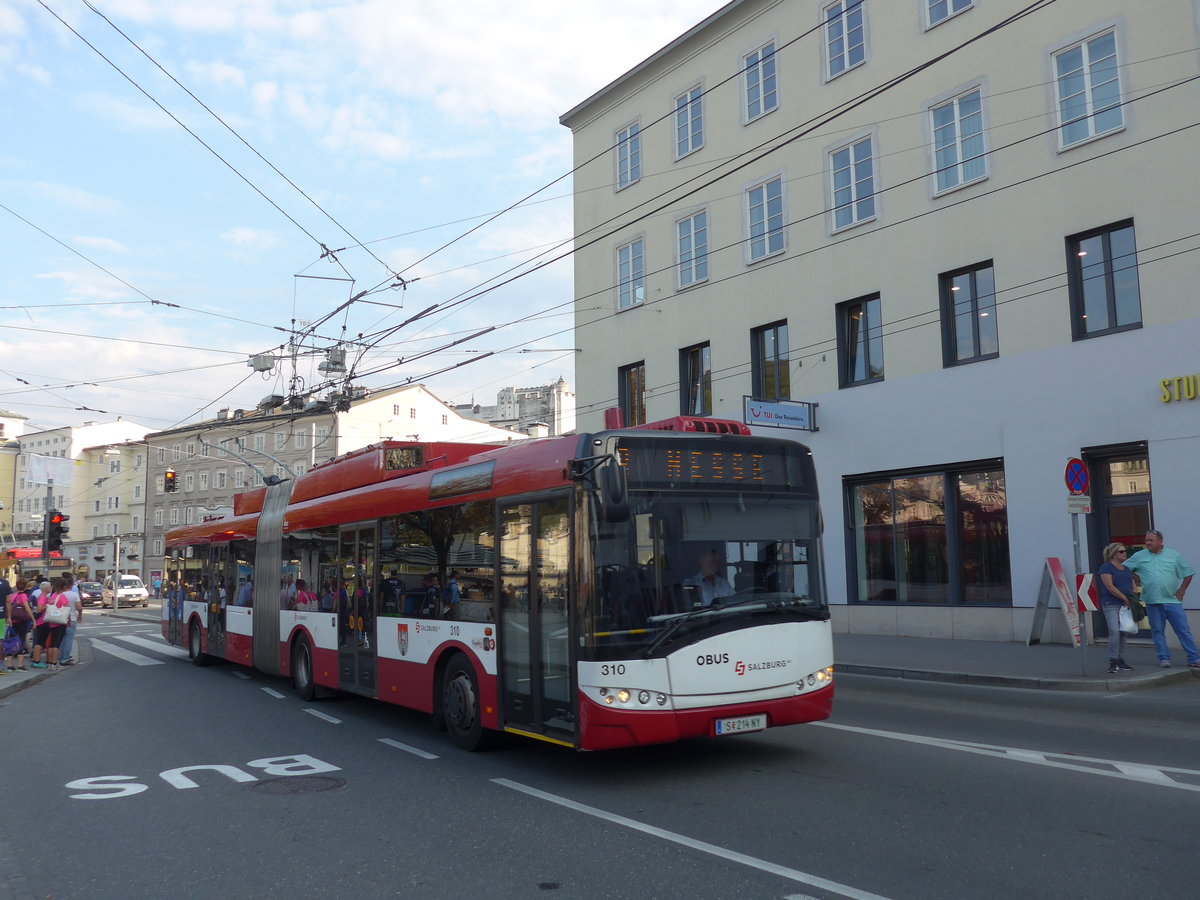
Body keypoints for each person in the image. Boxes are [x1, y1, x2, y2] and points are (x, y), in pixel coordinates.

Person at [1123, 530, 1199, 669]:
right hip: (1152, 600)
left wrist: (1182, 590)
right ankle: (1164, 658)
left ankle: (1194, 658)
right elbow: (1124, 568)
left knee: (1183, 630)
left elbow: (1188, 573)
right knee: (1157, 631)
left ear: (1160, 541)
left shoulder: (1174, 555)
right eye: (1146, 540)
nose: (1148, 543)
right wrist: (1136, 577)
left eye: (1151, 540)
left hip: (1172, 600)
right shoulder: (1139, 556)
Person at [1097, 543, 1135, 674]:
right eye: (1121, 552)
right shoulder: (1106, 568)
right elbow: (1109, 586)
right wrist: (1125, 598)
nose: (1125, 554)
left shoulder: (1126, 568)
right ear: (1114, 554)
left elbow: (1132, 583)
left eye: (1125, 551)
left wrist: (1132, 598)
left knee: (1123, 631)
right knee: (1114, 630)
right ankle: (1113, 660)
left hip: (1125, 604)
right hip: (1111, 603)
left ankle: (1121, 659)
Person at [31, 578, 70, 669]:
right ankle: (52, 662)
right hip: (56, 622)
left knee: (51, 643)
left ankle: (50, 663)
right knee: (54, 643)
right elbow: (66, 607)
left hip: (51, 622)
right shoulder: (59, 596)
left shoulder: (52, 596)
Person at [4, 578, 35, 672]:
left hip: (12, 621)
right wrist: (33, 619)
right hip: (22, 621)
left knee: (10, 640)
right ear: (26, 586)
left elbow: (8, 605)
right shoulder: (23, 596)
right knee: (21, 640)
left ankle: (9, 665)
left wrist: (9, 618)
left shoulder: (13, 595)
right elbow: (27, 608)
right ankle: (20, 665)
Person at [57, 573, 84, 666]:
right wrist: (80, 615)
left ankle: (59, 657)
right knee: (69, 639)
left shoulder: (59, 595)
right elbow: (79, 607)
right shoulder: (74, 595)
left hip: (60, 619)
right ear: (71, 586)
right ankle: (65, 658)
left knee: (61, 639)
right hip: (71, 619)